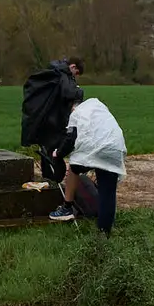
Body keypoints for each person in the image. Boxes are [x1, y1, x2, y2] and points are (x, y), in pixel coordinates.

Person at [47, 92, 127, 236]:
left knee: (74, 166)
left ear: (70, 106)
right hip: (116, 148)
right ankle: (104, 233)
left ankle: (67, 208)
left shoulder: (76, 113)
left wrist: (58, 153)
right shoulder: (98, 106)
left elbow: (71, 139)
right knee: (107, 192)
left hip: (98, 149)